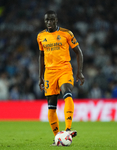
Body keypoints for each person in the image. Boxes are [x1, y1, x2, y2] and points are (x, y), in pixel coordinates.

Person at [37, 10, 85, 145]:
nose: (49, 22)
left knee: (67, 92)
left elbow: (78, 52)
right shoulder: (41, 36)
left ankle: (68, 129)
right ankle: (58, 137)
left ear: (56, 20)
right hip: (49, 73)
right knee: (51, 106)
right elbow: (41, 55)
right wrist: (40, 76)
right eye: (46, 20)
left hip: (64, 69)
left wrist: (79, 72)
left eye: (51, 20)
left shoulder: (66, 33)